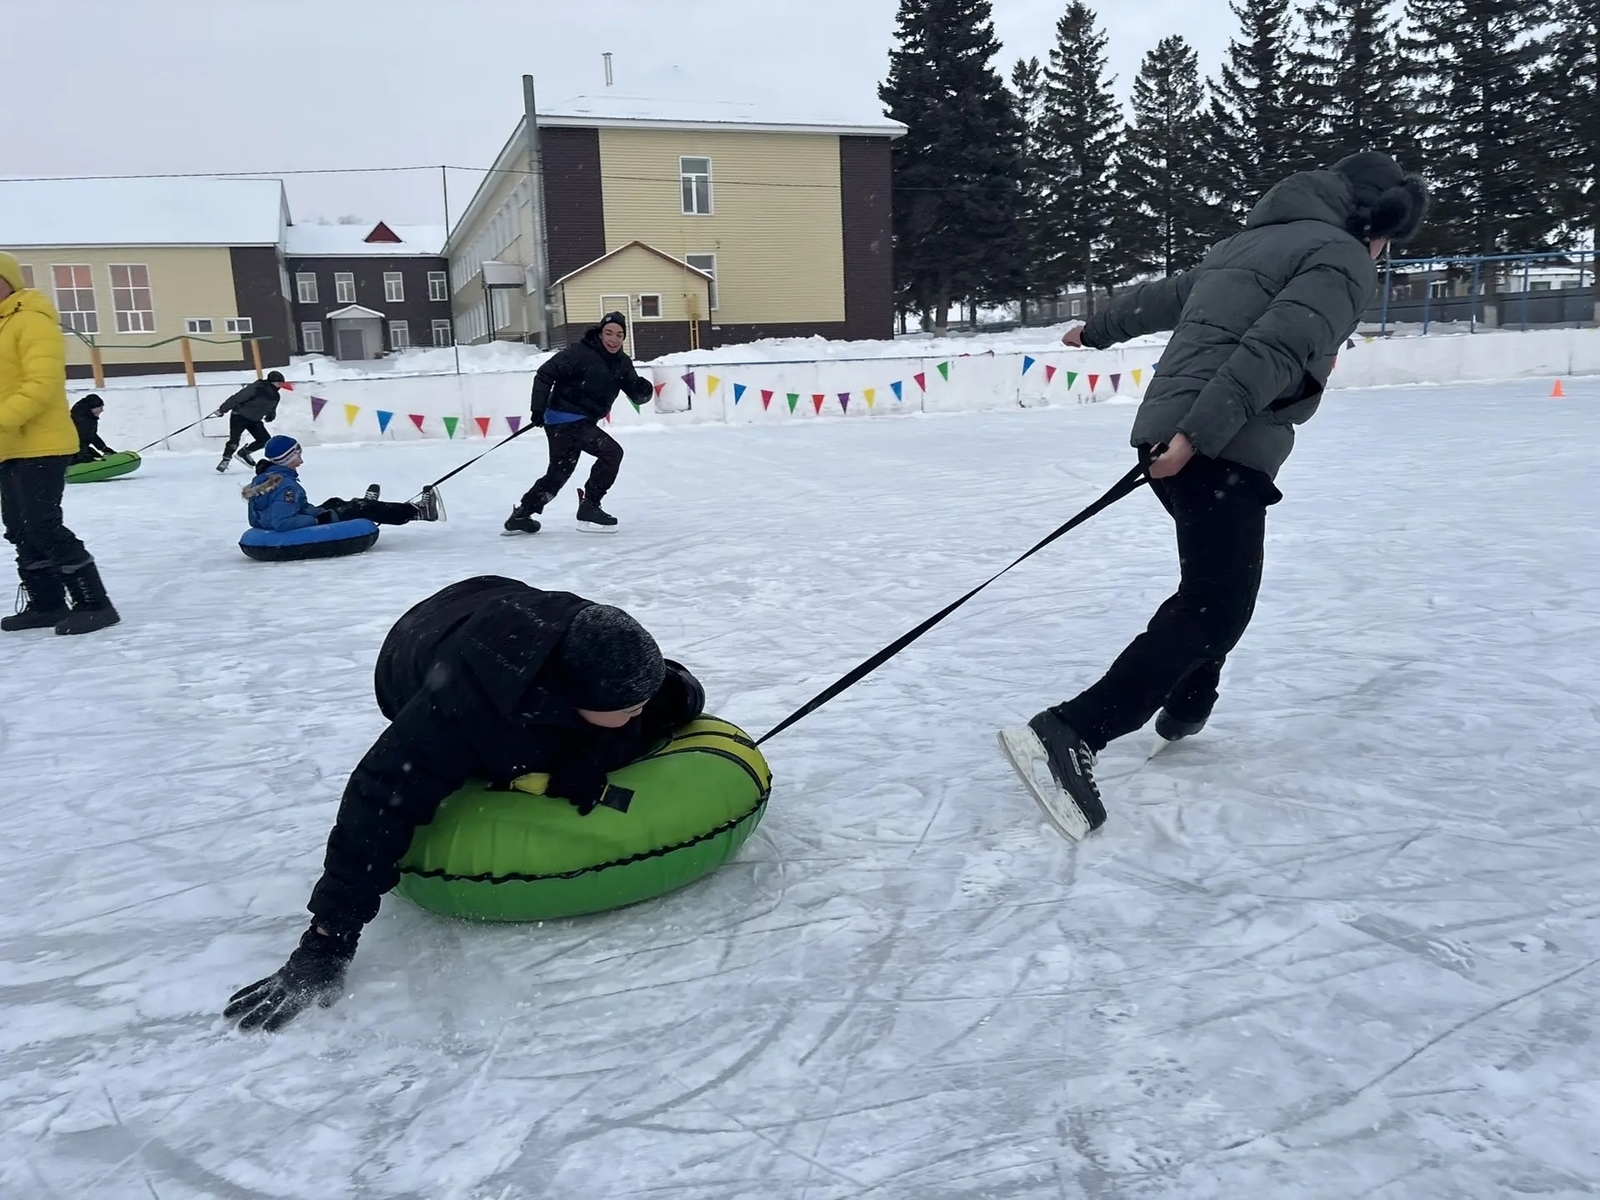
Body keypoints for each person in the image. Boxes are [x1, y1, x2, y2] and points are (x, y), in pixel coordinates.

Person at [999, 151, 1428, 841]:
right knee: (1217, 600)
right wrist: (1200, 435)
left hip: (1177, 436)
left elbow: (1165, 296)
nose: (1384, 248)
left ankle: (1190, 695)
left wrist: (1098, 328)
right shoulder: (1345, 259)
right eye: (1389, 235)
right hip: (1215, 441)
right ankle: (1073, 729)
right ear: (1375, 219)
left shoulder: (1247, 245)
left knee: (1216, 589)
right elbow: (1277, 348)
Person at [223, 577, 706, 1031]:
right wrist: (327, 940)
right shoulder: (459, 710)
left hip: (495, 600)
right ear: (579, 695)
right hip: (413, 651)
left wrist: (591, 752)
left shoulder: (597, 649)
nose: (640, 711)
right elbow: (377, 801)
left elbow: (670, 698)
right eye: (631, 707)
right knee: (500, 756)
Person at [0, 251, 121, 635]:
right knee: (19, 529)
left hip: (43, 444)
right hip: (9, 445)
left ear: (8, 281)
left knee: (42, 525)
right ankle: (47, 603)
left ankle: (94, 603)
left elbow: (42, 384)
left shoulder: (31, 322)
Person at [503, 311, 654, 534]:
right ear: (601, 333)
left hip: (578, 421)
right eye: (609, 333)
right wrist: (538, 409)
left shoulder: (621, 362)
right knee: (612, 453)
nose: (613, 339)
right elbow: (545, 374)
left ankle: (522, 514)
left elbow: (636, 394)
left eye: (619, 335)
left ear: (624, 338)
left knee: (559, 473)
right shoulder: (580, 353)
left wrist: (645, 390)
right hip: (564, 418)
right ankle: (590, 505)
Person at [242, 435, 443, 531]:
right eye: (298, 452)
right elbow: (282, 522)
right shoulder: (286, 486)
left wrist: (316, 512)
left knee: (334, 501)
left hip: (296, 519)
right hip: (299, 526)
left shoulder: (263, 478)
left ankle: (363, 505)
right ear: (289, 458)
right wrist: (317, 520)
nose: (301, 455)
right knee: (361, 508)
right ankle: (418, 512)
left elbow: (258, 518)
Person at [215, 370, 286, 472]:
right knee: (234, 440)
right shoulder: (257, 387)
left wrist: (270, 415)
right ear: (271, 382)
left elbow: (272, 408)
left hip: (254, 419)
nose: (280, 386)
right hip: (239, 415)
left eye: (281, 384)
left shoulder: (276, 396)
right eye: (278, 383)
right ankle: (225, 460)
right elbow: (237, 398)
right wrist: (222, 409)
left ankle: (244, 453)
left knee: (265, 440)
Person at [70, 394, 114, 464]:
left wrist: (103, 448)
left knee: (99, 460)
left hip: (79, 450)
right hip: (73, 452)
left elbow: (91, 436)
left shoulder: (89, 418)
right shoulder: (81, 420)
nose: (102, 410)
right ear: (93, 407)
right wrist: (83, 455)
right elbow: (81, 438)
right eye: (100, 407)